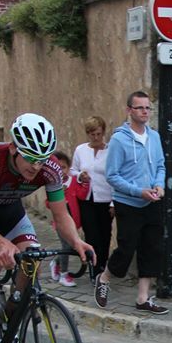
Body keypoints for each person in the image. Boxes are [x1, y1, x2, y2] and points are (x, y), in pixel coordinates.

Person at [0, 113, 94, 343]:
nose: (36, 166)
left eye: (41, 159)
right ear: (12, 149)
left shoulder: (49, 168)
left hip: (9, 207)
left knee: (31, 258)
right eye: (30, 158)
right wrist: (3, 244)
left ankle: (9, 317)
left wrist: (76, 241)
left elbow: (61, 216)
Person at [93, 92, 168, 314]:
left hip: (152, 201)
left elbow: (161, 165)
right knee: (126, 248)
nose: (145, 112)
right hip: (128, 203)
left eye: (147, 108)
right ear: (129, 111)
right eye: (140, 108)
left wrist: (159, 185)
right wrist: (138, 191)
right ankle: (104, 278)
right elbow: (112, 175)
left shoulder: (153, 137)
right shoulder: (119, 139)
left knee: (151, 248)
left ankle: (143, 297)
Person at [71, 116, 113, 278]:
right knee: (91, 235)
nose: (96, 138)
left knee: (105, 235)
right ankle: (94, 270)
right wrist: (81, 176)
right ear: (87, 134)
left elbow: (114, 176)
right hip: (87, 200)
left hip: (105, 200)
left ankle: (102, 266)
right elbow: (73, 171)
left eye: (99, 134)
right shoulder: (81, 150)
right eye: (92, 134)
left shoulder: (110, 151)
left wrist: (113, 203)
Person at [49, 151, 83, 287]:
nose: (61, 171)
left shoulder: (73, 181)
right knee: (67, 246)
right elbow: (48, 203)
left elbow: (81, 195)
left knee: (71, 246)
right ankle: (64, 274)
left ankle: (56, 262)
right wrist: (59, 198)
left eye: (63, 167)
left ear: (69, 168)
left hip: (74, 221)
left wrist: (85, 185)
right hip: (59, 223)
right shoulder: (53, 184)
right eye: (57, 168)